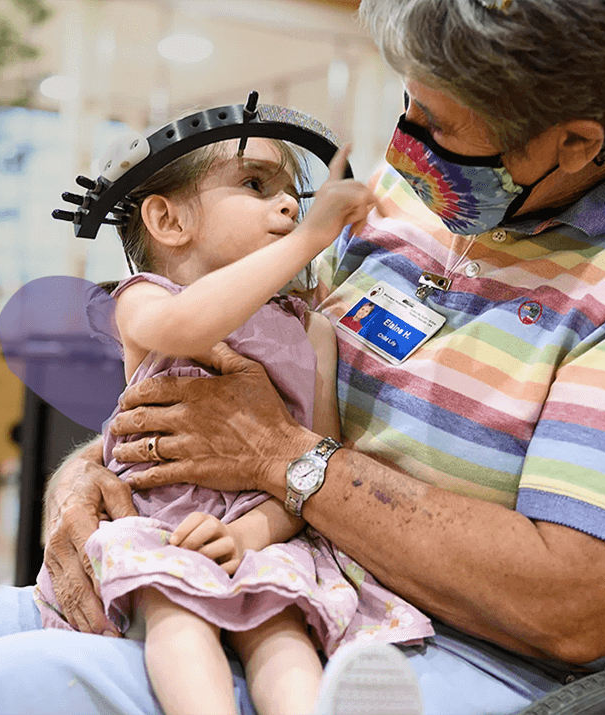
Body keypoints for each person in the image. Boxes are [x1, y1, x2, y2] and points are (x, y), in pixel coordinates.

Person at [0, 1, 605, 713]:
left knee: (3, 695)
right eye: (408, 106)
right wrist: (93, 471)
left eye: (437, 128)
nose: (402, 150)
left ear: (570, 144)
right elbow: (228, 363)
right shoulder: (400, 210)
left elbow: (573, 603)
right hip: (248, 562)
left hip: (453, 655)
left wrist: (287, 464)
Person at [32, 131, 430, 715]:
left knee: (281, 627)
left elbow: (315, 461)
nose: (291, 206)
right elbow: (191, 325)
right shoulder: (146, 301)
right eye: (254, 184)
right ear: (168, 221)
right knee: (178, 614)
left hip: (260, 528)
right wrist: (314, 238)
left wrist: (250, 535)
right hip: (162, 526)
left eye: (294, 194)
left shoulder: (311, 329)